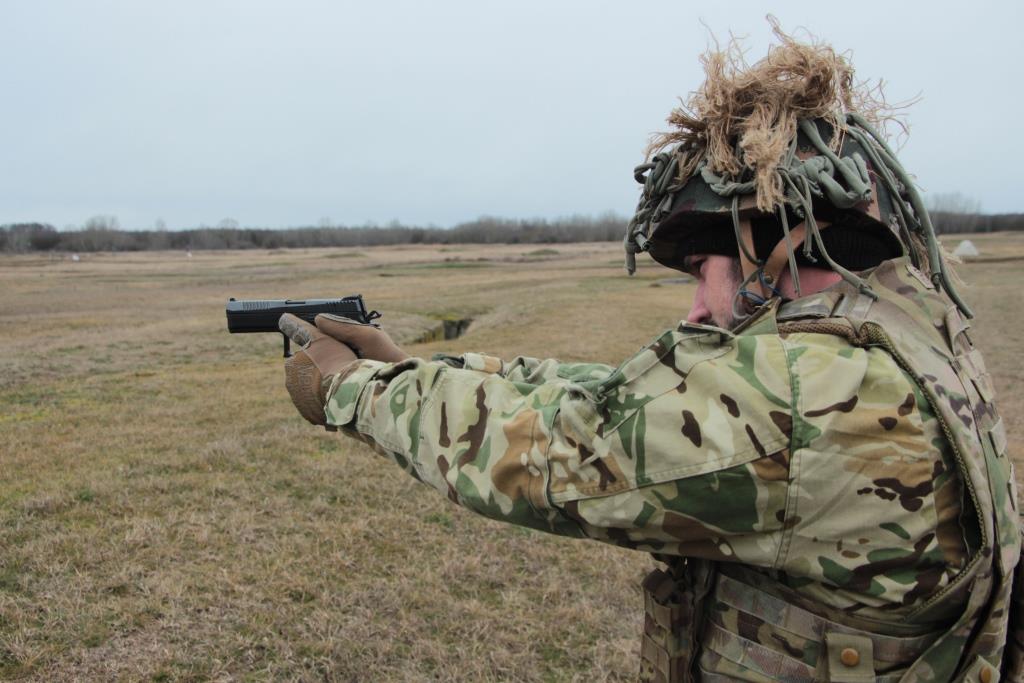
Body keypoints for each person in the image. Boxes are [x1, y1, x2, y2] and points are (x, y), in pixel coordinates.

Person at [277, 26, 1022, 683]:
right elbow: (622, 396)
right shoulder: (902, 329)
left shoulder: (800, 394)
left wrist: (355, 391)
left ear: (777, 241)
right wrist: (423, 367)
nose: (696, 307)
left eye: (704, 269)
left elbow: (552, 453)